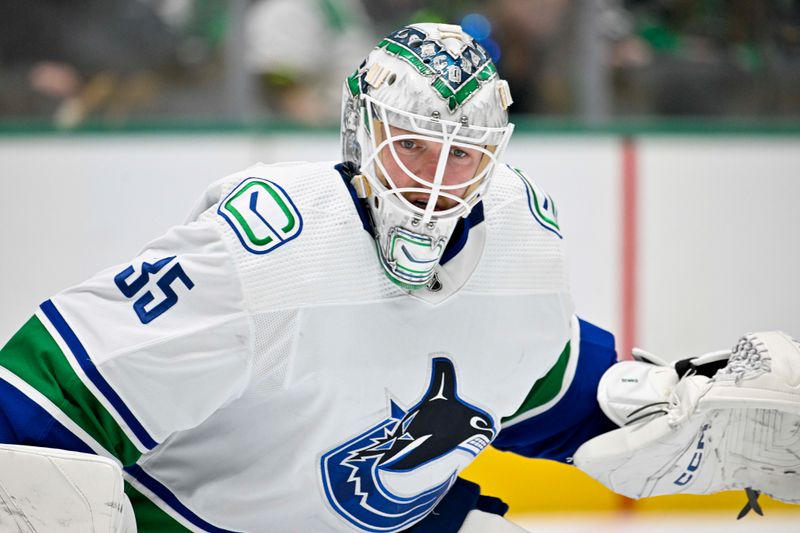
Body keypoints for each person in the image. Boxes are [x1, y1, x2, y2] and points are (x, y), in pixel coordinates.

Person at [1, 22, 798, 533]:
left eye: (465, 154)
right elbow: (44, 394)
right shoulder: (266, 245)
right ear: (362, 128)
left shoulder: (520, 234)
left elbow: (535, 387)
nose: (437, 178)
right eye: (413, 144)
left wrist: (660, 402)